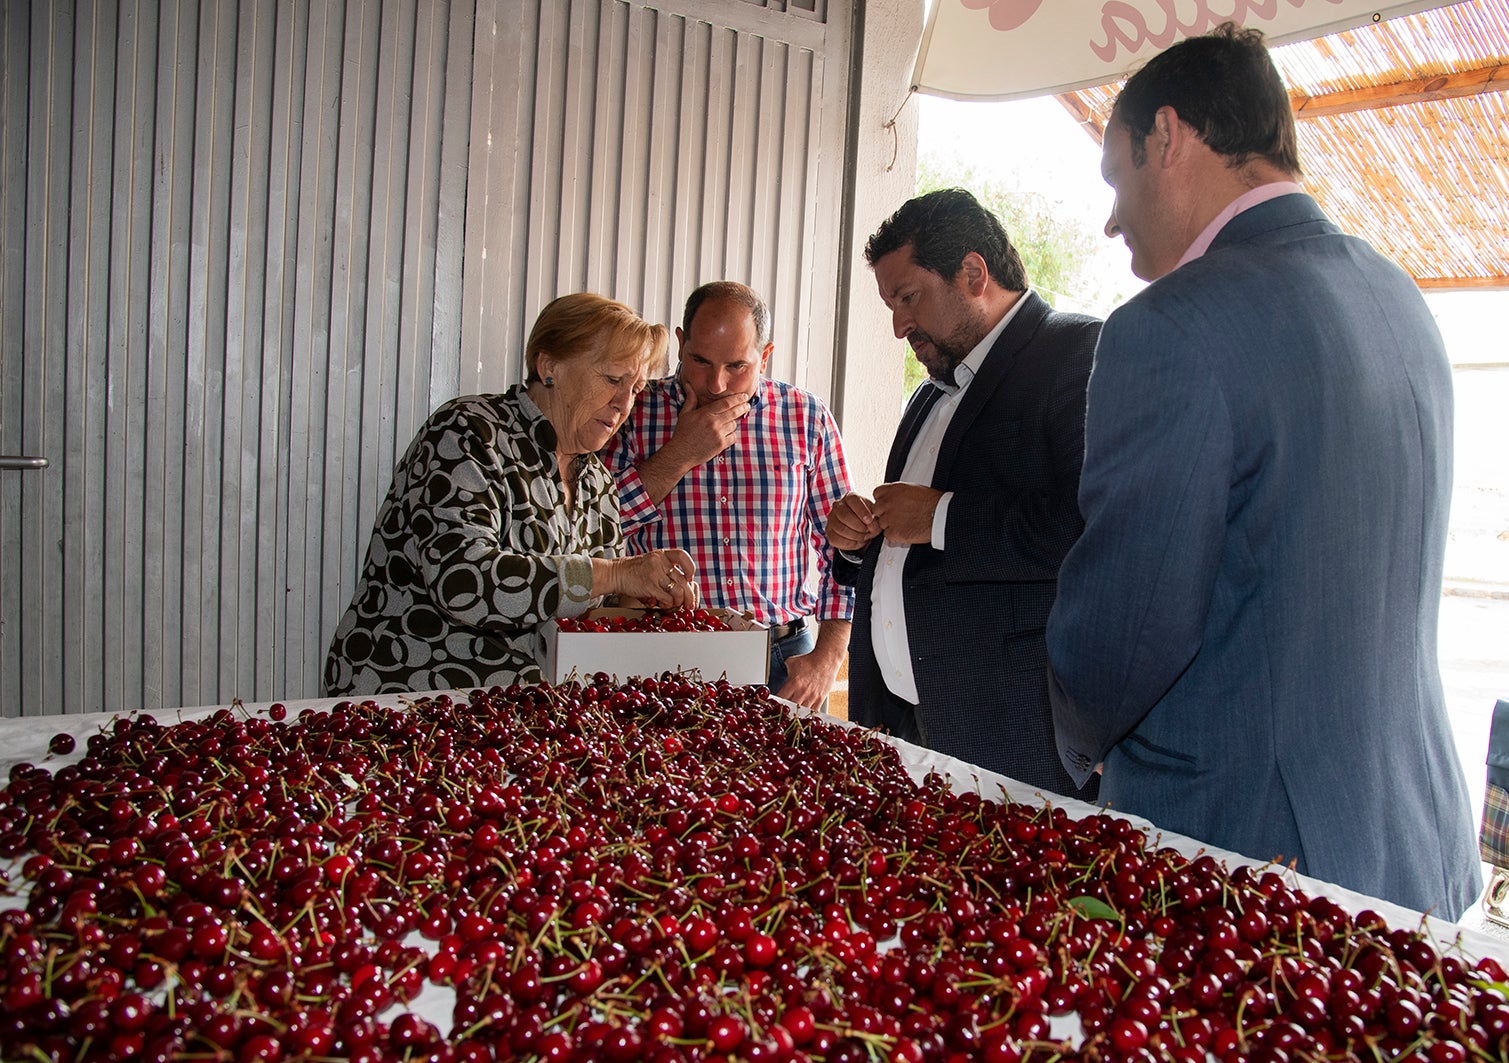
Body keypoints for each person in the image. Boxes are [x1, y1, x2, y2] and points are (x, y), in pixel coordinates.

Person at [1045, 24, 1481, 918]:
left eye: (1114, 177)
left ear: (1167, 136)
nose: (1111, 217)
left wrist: (1069, 739)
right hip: (1408, 838)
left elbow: (1124, 631)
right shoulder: (1396, 293)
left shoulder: (1169, 327)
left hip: (1245, 847)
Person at [827, 189, 1101, 798]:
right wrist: (857, 540)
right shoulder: (930, 393)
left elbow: (1091, 528)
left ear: (973, 274)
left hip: (1011, 739)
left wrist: (942, 518)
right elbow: (907, 546)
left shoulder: (1077, 353)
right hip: (901, 724)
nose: (898, 325)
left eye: (907, 297)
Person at [324, 292, 697, 696]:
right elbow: (463, 580)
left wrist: (645, 600)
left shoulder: (598, 485)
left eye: (636, 388)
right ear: (549, 366)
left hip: (515, 709)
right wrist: (619, 573)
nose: (624, 403)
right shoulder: (470, 432)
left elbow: (585, 613)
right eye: (612, 379)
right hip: (406, 694)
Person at [606, 282, 854, 708]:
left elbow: (847, 552)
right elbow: (598, 529)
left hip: (784, 659)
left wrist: (827, 660)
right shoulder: (632, 410)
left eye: (737, 365)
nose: (716, 384)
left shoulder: (806, 419)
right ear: (680, 343)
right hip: (661, 653)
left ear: (766, 355)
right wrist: (680, 453)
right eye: (700, 360)